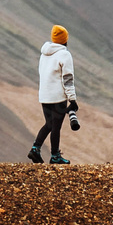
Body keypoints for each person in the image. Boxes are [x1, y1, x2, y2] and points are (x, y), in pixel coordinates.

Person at [28, 25, 78, 164]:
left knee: (49, 124)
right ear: (65, 40)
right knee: (56, 127)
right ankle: (55, 156)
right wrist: (72, 100)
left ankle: (35, 149)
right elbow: (67, 78)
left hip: (44, 95)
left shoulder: (44, 53)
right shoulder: (64, 54)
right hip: (58, 97)